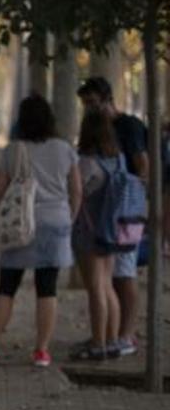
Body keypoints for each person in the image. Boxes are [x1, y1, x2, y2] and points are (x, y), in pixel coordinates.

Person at [0, 95, 83, 367]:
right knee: (47, 289)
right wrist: (68, 217)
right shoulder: (64, 149)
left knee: (6, 287)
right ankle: (41, 351)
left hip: (19, 224)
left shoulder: (13, 150)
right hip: (55, 222)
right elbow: (76, 190)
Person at [78, 77, 145, 357]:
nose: (89, 109)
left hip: (116, 221)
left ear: (108, 99)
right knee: (110, 283)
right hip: (118, 221)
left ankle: (118, 338)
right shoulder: (115, 154)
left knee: (116, 280)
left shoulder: (128, 127)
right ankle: (112, 338)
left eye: (92, 103)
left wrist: (134, 206)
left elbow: (144, 167)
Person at [71, 111, 124, 360]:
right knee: (107, 285)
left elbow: (75, 193)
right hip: (113, 230)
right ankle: (113, 340)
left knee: (95, 289)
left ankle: (97, 342)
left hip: (89, 231)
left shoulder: (87, 163)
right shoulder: (118, 160)